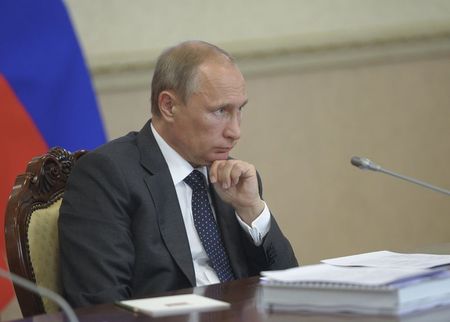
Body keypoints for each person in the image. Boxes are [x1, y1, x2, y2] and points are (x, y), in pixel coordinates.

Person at [59, 40, 298, 308]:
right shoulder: (107, 176)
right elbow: (101, 305)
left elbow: (288, 288)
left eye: (239, 110)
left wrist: (252, 210)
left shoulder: (233, 179)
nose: (235, 131)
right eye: (220, 111)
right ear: (168, 106)